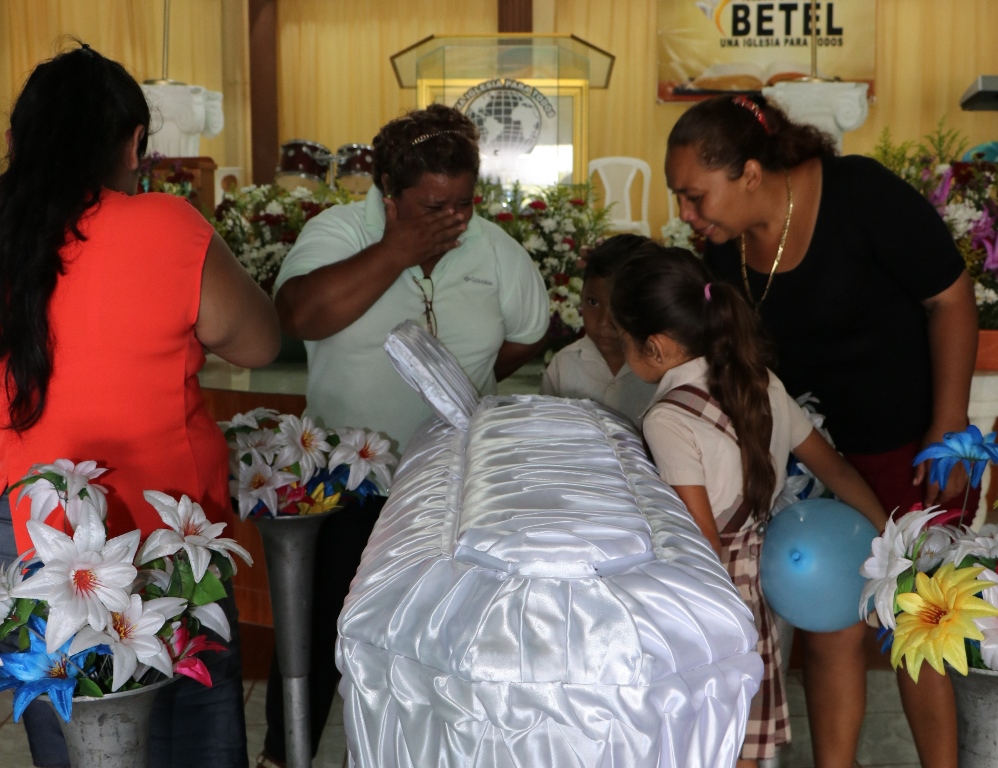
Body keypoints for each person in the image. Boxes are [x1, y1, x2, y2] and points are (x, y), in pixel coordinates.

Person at [666, 94, 978, 768]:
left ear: (750, 172)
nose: (686, 215)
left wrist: (949, 423)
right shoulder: (725, 255)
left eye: (695, 196)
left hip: (911, 446)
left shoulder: (859, 195)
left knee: (917, 626)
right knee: (831, 620)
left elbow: (952, 297)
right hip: (813, 457)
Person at [0, 44, 281, 768]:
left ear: (17, 142)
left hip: (34, 550)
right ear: (132, 144)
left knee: (75, 744)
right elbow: (258, 341)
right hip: (166, 544)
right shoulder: (163, 225)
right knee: (193, 743)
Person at [266, 104, 549, 767]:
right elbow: (298, 315)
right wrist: (396, 252)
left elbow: (525, 336)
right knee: (317, 633)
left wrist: (463, 378)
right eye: (430, 206)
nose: (451, 219)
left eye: (462, 203)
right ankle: (284, 756)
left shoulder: (492, 249)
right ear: (386, 195)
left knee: (435, 648)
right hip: (344, 483)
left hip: (450, 487)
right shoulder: (337, 232)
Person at [610, 243, 888, 768]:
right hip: (762, 582)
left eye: (624, 340)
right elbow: (838, 471)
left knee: (707, 735)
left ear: (657, 346)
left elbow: (701, 543)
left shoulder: (667, 418)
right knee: (738, 738)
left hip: (712, 598)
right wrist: (888, 541)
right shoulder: (764, 383)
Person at [540, 234, 658, 425]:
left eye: (620, 304)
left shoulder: (661, 370)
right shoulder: (564, 366)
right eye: (593, 302)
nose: (605, 321)